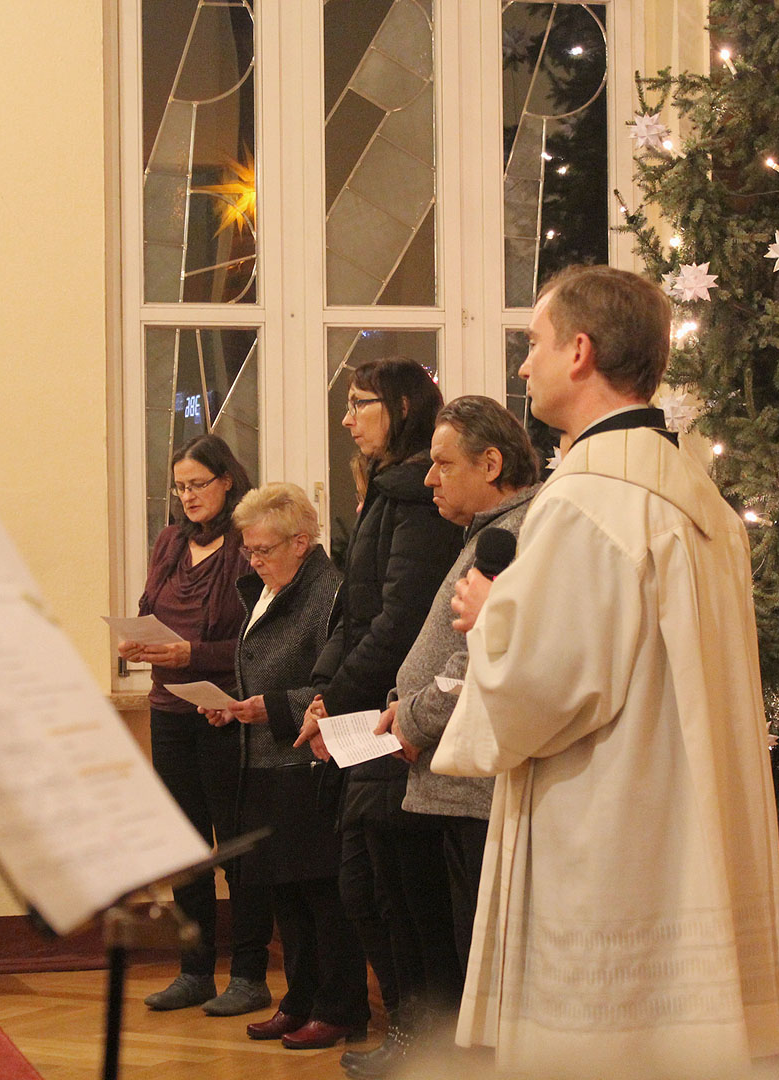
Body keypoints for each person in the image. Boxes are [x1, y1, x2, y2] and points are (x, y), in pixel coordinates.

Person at [432, 266, 779, 1078]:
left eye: (534, 343)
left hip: (606, 827)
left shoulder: (587, 501)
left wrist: (490, 618)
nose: (523, 364)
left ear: (580, 352)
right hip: (684, 820)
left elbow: (546, 687)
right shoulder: (697, 496)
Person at [342, 396, 540, 1080]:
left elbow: (478, 659)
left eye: (443, 464)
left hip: (470, 784)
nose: (429, 479)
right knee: (438, 939)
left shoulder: (514, 537)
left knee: (469, 954)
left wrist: (414, 718)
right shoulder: (489, 534)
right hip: (443, 775)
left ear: (491, 464)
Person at [294, 358, 464, 1065]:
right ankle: (407, 1031)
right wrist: (323, 693)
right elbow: (352, 612)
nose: (347, 418)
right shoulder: (388, 493)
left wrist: (338, 698)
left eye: (360, 402)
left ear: (401, 407)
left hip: (399, 717)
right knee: (367, 885)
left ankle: (423, 1042)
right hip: (367, 711)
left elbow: (401, 620)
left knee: (398, 889)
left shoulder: (416, 499)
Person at [203, 483, 371, 1050]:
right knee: (287, 896)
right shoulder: (268, 590)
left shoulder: (329, 593)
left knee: (322, 896)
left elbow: (340, 685)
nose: (253, 561)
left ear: (301, 542)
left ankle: (340, 1007)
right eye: (248, 550)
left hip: (309, 764)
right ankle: (299, 1000)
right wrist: (235, 708)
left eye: (263, 550)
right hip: (266, 763)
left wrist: (269, 708)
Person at [118, 434, 273, 1017]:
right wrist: (138, 640)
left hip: (225, 710)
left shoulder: (246, 544)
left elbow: (260, 638)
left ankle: (250, 974)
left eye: (198, 484)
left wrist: (194, 655)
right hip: (169, 708)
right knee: (183, 844)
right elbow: (150, 606)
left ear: (227, 480)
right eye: (179, 486)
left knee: (234, 844)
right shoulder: (169, 542)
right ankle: (194, 971)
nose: (187, 496)